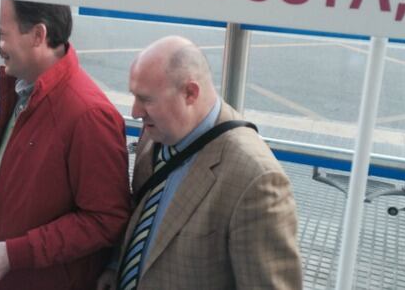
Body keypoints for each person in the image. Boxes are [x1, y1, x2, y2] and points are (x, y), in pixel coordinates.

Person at [0, 0, 131, 290]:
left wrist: (18, 254)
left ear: (38, 35)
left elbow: (105, 219)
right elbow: (5, 169)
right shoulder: (23, 89)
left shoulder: (89, 115)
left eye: (2, 35)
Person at [97, 36, 302, 290]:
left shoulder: (256, 179)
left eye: (147, 99)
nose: (136, 112)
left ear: (190, 93)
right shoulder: (157, 134)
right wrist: (116, 265)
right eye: (134, 97)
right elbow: (141, 214)